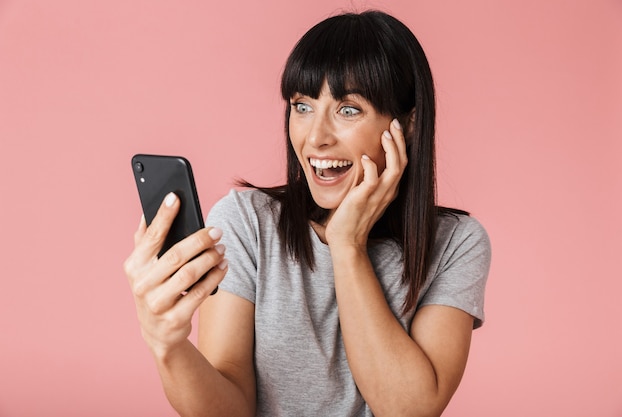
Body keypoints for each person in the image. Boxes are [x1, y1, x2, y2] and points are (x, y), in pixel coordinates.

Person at [124, 10, 491, 417]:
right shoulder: (248, 222)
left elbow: (408, 410)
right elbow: (231, 408)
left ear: (407, 125)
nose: (316, 138)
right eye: (302, 106)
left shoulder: (456, 242)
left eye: (348, 109)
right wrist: (168, 346)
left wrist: (347, 244)